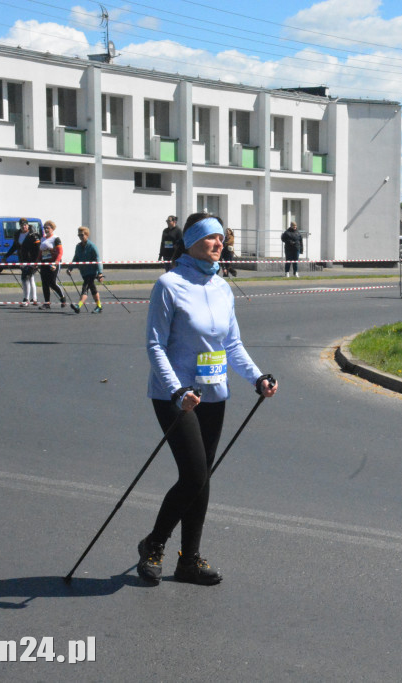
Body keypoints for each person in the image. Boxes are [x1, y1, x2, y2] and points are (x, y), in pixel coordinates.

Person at [140, 213, 278, 586]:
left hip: (214, 393)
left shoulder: (221, 287)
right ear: (191, 242)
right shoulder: (169, 285)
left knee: (201, 480)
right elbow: (155, 344)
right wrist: (176, 389)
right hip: (176, 396)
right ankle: (154, 544)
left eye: (222, 238)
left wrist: (257, 377)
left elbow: (231, 344)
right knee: (194, 475)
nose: (220, 244)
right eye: (211, 238)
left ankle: (189, 560)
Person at [3, 218, 41, 307]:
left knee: (26, 277)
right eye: (22, 225)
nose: (24, 227)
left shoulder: (33, 234)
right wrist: (6, 256)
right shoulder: (17, 234)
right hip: (22, 259)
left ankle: (26, 299)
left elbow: (38, 249)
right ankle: (34, 298)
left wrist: (36, 261)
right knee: (29, 278)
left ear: (28, 225)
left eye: (25, 225)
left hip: (32, 260)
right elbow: (14, 247)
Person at [68, 226, 103, 314]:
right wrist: (70, 268)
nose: (80, 237)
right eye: (79, 235)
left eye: (82, 235)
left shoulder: (92, 246)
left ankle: (78, 306)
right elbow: (76, 258)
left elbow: (98, 259)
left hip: (92, 271)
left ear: (87, 235)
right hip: (84, 272)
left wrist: (100, 273)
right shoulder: (78, 246)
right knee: (92, 288)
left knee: (85, 287)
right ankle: (99, 306)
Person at [38, 221, 66, 309]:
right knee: (45, 283)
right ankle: (47, 303)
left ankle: (62, 297)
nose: (46, 229)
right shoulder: (42, 239)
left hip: (53, 263)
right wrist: (37, 262)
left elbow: (60, 252)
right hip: (44, 263)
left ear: (52, 229)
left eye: (48, 228)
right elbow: (40, 252)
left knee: (52, 282)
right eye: (45, 228)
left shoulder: (56, 239)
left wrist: (56, 263)